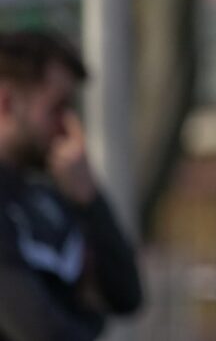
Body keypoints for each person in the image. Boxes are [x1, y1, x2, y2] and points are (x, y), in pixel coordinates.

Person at [0, 30, 142, 341]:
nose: (68, 126)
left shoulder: (47, 195)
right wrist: (89, 318)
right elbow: (38, 329)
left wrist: (90, 200)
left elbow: (126, 294)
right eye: (57, 108)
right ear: (7, 103)